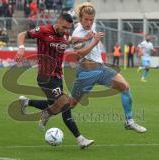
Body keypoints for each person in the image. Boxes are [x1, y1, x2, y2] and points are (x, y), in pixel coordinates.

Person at [16, 13, 104, 148]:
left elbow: (70, 39)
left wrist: (85, 38)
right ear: (58, 23)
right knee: (65, 104)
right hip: (45, 77)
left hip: (57, 76)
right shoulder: (44, 31)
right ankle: (80, 140)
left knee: (54, 104)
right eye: (64, 27)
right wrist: (21, 49)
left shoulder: (64, 35)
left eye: (68, 28)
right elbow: (22, 34)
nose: (66, 31)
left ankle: (27, 103)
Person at [69, 2, 147, 137]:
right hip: (86, 71)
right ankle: (45, 110)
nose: (89, 22)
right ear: (80, 19)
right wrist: (94, 42)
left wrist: (87, 7)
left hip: (101, 67)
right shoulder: (78, 32)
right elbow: (80, 54)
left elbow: (88, 12)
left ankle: (129, 121)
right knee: (70, 104)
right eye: (86, 19)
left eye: (91, 19)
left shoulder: (91, 25)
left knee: (125, 87)